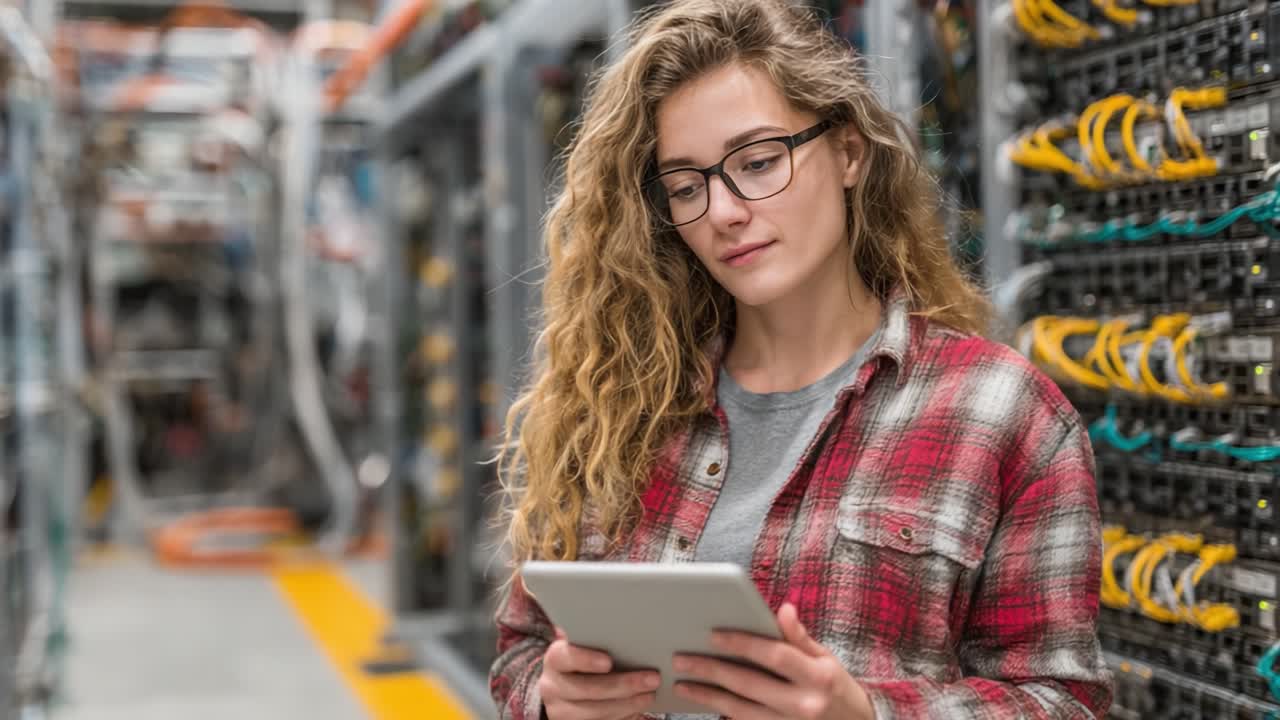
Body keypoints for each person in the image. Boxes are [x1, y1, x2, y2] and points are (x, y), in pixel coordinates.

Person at [489, 1, 1112, 718]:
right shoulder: (619, 405)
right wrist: (551, 698)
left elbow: (1060, 700)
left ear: (849, 153)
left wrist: (869, 715)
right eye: (688, 186)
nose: (723, 210)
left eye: (757, 163)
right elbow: (520, 651)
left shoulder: (1003, 414)